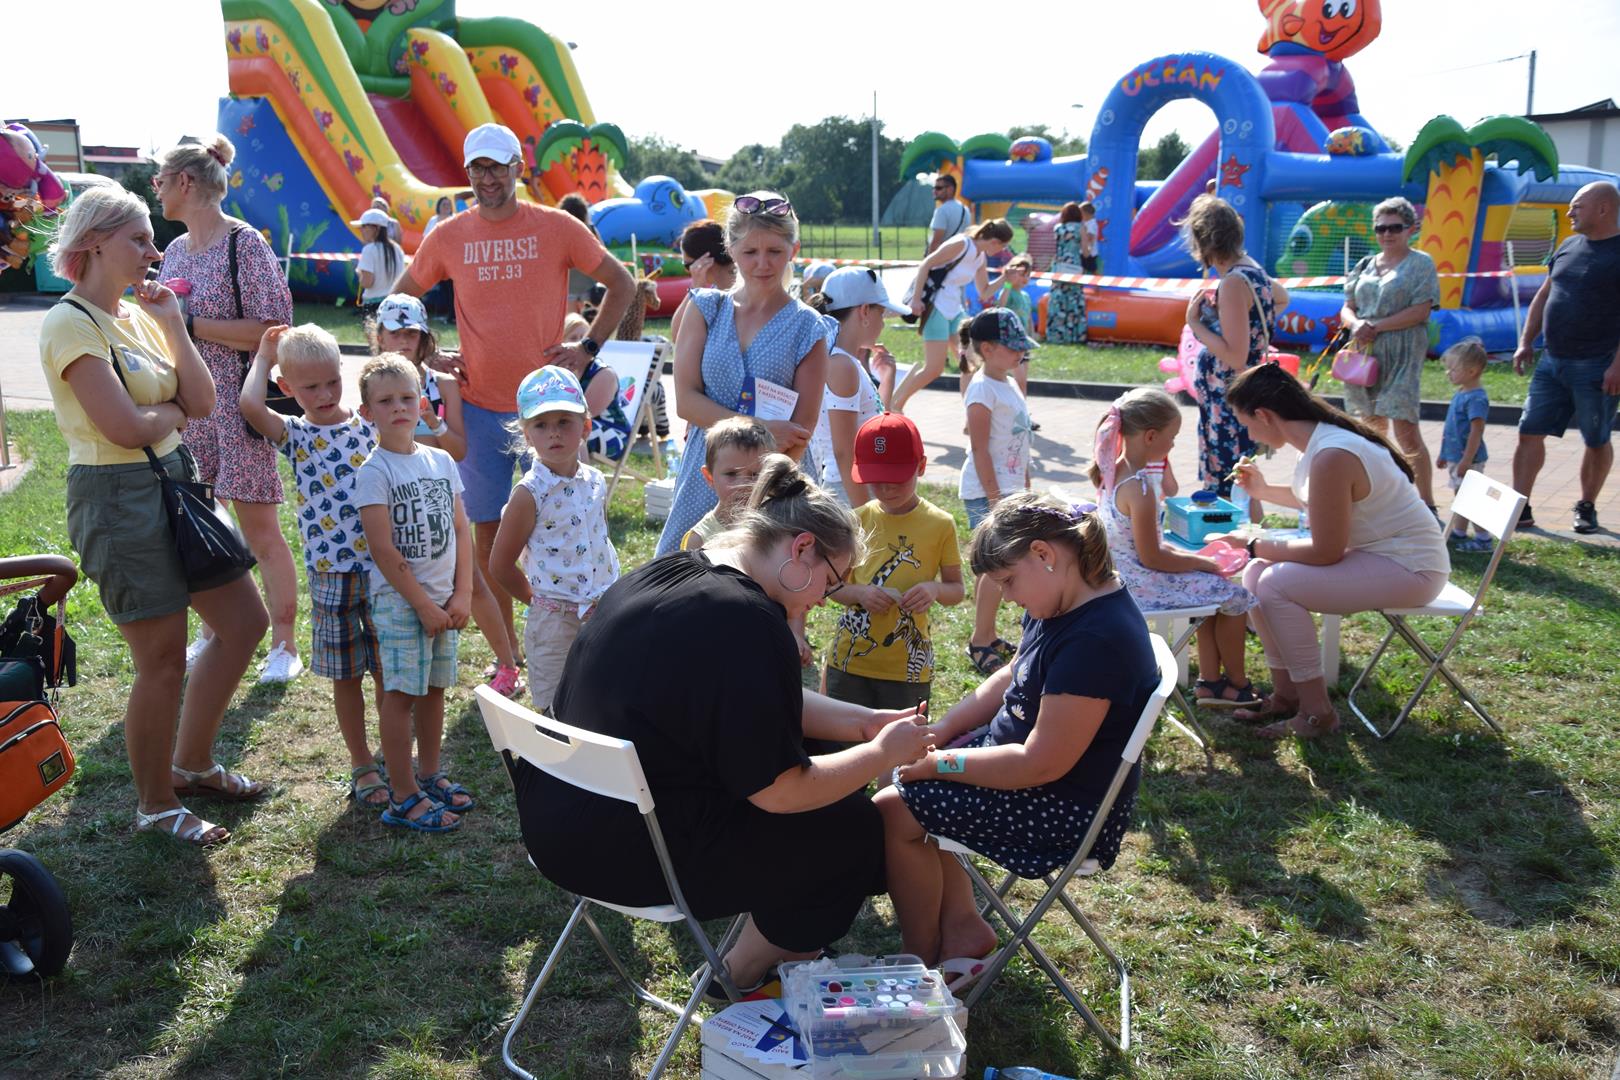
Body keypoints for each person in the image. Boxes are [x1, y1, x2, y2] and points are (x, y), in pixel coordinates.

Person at [508, 456, 936, 996]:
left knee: (827, 753)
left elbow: (754, 698)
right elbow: (781, 793)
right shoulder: (750, 623)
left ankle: (771, 951)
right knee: (851, 830)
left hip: (560, 812)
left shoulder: (676, 568)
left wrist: (868, 723)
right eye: (831, 583)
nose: (821, 600)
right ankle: (744, 971)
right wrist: (881, 756)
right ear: (801, 548)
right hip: (624, 852)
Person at [41, 184, 270, 846]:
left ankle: (193, 764)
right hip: (117, 498)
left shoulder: (142, 315)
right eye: (138, 238)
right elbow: (119, 426)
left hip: (176, 483)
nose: (152, 250)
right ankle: (156, 802)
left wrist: (172, 322)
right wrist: (164, 415)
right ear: (94, 244)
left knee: (244, 622)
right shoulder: (70, 321)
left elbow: (200, 400)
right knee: (163, 658)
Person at [873, 494, 1159, 977]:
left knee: (893, 808)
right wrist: (943, 731)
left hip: (1063, 807)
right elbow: (1009, 676)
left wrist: (940, 763)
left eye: (1007, 581)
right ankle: (962, 924)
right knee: (896, 770)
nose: (1006, 597)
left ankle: (918, 959)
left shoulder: (1096, 640)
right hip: (1021, 769)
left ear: (1045, 555)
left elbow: (1039, 763)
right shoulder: (1063, 602)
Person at [395, 123, 635, 687]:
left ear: (518, 170)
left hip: (546, 411)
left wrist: (588, 347)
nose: (488, 178)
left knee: (567, 525)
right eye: (478, 167)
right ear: (468, 172)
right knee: (486, 540)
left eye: (498, 166)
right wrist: (429, 357)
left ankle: (575, 631)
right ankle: (509, 659)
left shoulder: (555, 227)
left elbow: (621, 284)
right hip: (478, 407)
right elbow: (400, 302)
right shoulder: (450, 235)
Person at [1214, 363, 1449, 739]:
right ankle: (1286, 695)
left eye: (1246, 423)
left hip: (1413, 569)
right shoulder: (1320, 442)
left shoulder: (1331, 454)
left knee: (1273, 582)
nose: (1247, 433)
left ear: (1264, 416)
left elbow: (1326, 552)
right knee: (1257, 572)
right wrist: (1263, 492)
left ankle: (1317, 713)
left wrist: (1256, 544)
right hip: (1387, 557)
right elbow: (1318, 500)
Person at [152, 134, 300, 684]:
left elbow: (274, 329)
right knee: (203, 526)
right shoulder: (172, 253)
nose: (157, 189)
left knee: (259, 531)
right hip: (191, 413)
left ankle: (283, 644)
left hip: (239, 409)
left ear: (187, 183)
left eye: (162, 180)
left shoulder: (245, 245)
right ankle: (214, 630)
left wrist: (188, 325)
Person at [239, 324, 388, 808]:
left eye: (331, 381)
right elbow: (248, 407)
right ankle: (362, 762)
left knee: (389, 671)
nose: (324, 395)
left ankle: (392, 753)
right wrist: (263, 357)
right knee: (346, 676)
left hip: (385, 572)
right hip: (331, 576)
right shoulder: (296, 434)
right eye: (309, 387)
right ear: (288, 388)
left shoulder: (370, 425)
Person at [368, 293, 527, 696]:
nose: (403, 341)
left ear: (425, 339)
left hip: (440, 497)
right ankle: (400, 668)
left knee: (471, 579)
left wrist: (426, 424)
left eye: (412, 333)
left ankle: (508, 664)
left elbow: (457, 448)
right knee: (400, 581)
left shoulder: (442, 385)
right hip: (396, 502)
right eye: (395, 332)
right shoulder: (375, 384)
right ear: (379, 336)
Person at [655, 191, 830, 556]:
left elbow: (800, 431)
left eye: (775, 252)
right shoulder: (705, 309)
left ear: (793, 251)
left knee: (769, 590)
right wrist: (761, 429)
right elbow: (686, 401)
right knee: (684, 583)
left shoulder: (807, 327)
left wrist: (760, 489)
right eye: (751, 252)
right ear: (731, 249)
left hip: (777, 481)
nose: (763, 264)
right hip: (708, 475)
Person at [354, 355, 475, 831]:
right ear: (368, 413)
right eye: (385, 401)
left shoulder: (441, 460)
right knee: (402, 693)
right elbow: (382, 549)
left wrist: (461, 593)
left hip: (446, 600)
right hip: (403, 603)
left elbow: (462, 530)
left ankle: (429, 773)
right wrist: (421, 604)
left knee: (435, 689)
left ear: (423, 403)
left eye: (407, 398)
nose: (399, 407)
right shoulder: (374, 471)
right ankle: (402, 795)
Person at [1092, 388, 1258, 706]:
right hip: (1142, 586)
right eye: (1173, 437)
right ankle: (1236, 684)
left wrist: (1195, 559)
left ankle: (1211, 683)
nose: (1173, 444)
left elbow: (1149, 549)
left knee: (1214, 589)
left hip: (1126, 579)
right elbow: (1152, 556)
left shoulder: (1114, 474)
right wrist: (1204, 563)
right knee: (1236, 597)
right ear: (1151, 436)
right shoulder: (1139, 489)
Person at [489, 367, 619, 713]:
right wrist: (538, 601)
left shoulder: (594, 480)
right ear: (527, 434)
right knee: (556, 708)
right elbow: (500, 565)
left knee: (601, 698)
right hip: (554, 619)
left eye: (565, 421)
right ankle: (557, 767)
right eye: (541, 425)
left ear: (586, 426)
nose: (554, 433)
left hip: (601, 609)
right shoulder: (530, 494)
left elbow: (596, 538)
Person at [826, 413, 964, 712]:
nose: (886, 490)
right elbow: (832, 587)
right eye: (876, 481)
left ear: (922, 466)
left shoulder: (941, 524)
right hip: (850, 662)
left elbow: (957, 590)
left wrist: (934, 590)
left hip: (908, 668)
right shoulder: (856, 520)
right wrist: (860, 594)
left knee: (904, 747)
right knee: (841, 747)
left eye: (896, 479)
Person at [1511, 180, 1620, 534]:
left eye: (1577, 206)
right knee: (1529, 431)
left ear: (1603, 209)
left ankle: (1586, 507)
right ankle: (1520, 507)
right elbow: (1545, 294)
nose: (1570, 212)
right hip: (1551, 360)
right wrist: (1526, 341)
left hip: (1598, 364)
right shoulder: (1568, 245)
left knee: (1595, 437)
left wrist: (1618, 365)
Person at [1184, 194, 1288, 512]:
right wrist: (1238, 318)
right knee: (1243, 479)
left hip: (1227, 399)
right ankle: (1251, 544)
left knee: (1231, 484)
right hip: (1238, 396)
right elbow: (1281, 297)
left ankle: (1242, 548)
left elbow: (1235, 356)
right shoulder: (1252, 270)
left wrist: (1196, 323)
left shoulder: (1232, 283)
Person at [1339, 196, 1441, 511]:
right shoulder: (1365, 265)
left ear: (1409, 228)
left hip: (1402, 351)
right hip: (1366, 353)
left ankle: (1426, 504)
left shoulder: (1421, 263)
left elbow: (1422, 310)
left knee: (1405, 427)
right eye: (1380, 228)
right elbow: (1347, 307)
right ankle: (1378, 499)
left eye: (1394, 227)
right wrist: (1356, 324)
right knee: (1370, 429)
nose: (1387, 234)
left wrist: (1378, 325)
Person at [959, 308, 1035, 675]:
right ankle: (979, 639)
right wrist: (993, 496)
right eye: (1013, 347)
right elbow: (979, 447)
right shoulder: (981, 389)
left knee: (994, 568)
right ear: (987, 349)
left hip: (1009, 488)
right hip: (988, 492)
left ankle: (987, 634)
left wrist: (1025, 480)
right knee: (995, 568)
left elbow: (1017, 438)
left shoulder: (1007, 382)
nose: (1020, 353)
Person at [892, 219, 1015, 415]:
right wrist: (915, 300)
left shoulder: (980, 256)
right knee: (934, 368)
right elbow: (926, 264)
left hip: (955, 309)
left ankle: (972, 415)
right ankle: (895, 403)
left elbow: (984, 292)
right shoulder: (962, 244)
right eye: (1003, 246)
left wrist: (1005, 279)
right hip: (936, 308)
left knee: (971, 363)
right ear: (995, 242)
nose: (1002, 252)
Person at [807, 267, 905, 506]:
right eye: (881, 313)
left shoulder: (845, 361)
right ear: (864, 311)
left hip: (852, 486)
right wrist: (865, 513)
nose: (882, 323)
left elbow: (873, 425)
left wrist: (887, 378)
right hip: (849, 490)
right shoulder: (842, 365)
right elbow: (845, 451)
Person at [680, 417, 776, 552]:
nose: (743, 484)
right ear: (710, 477)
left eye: (755, 474)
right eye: (731, 474)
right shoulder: (700, 540)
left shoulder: (778, 526)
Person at [1435, 338, 1494, 550]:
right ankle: (1459, 531)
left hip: (1468, 458)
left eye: (1453, 369)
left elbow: (1476, 430)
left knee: (1471, 498)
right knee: (1461, 495)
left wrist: (1466, 459)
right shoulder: (1460, 393)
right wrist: (1444, 453)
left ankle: (1483, 538)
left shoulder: (1476, 398)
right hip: (1456, 456)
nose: (1448, 373)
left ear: (1472, 371)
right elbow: (1451, 427)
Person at [668, 219, 737, 345]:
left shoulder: (736, 292)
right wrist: (695, 287)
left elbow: (678, 337)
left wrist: (695, 287)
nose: (690, 271)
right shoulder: (715, 290)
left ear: (704, 261)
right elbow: (677, 336)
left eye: (687, 265)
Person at [1046, 202, 1089, 345]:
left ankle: (1055, 334)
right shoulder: (1081, 228)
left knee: (1058, 299)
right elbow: (1085, 251)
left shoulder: (1057, 228)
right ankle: (1074, 334)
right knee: (1074, 299)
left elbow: (1056, 248)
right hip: (1074, 266)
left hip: (1058, 265)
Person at [352, 207, 405, 311]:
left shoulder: (369, 249)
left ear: (376, 228)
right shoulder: (397, 249)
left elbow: (367, 282)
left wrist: (359, 273)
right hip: (396, 304)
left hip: (374, 306)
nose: (361, 230)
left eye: (364, 226)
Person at [926, 174, 972, 255]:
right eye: (934, 188)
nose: (934, 191)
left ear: (950, 189)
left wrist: (928, 264)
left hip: (943, 260)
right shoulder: (965, 209)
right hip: (959, 257)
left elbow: (935, 242)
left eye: (938, 188)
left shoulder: (942, 210)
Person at [1079, 200, 1100, 275]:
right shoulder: (1087, 223)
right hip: (1085, 251)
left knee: (1092, 269)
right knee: (1082, 268)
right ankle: (1080, 284)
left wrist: (1082, 239)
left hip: (1089, 252)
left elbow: (1090, 237)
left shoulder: (1091, 223)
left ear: (1085, 213)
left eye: (1081, 213)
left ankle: (1099, 284)